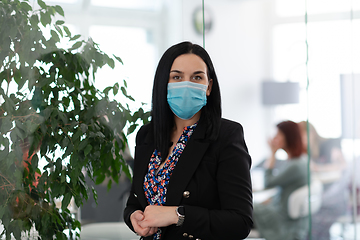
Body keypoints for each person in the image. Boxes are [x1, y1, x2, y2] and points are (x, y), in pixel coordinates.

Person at [123, 41, 253, 240]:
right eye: (177, 77)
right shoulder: (146, 135)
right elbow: (135, 201)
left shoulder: (226, 135)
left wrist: (177, 215)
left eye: (197, 77)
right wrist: (133, 216)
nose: (186, 84)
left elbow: (240, 222)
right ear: (163, 84)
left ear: (208, 86)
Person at [253, 120, 308, 240]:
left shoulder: (295, 165)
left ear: (288, 137)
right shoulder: (299, 161)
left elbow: (268, 182)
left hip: (279, 218)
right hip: (279, 212)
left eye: (278, 135)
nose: (274, 139)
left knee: (241, 207)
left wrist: (272, 153)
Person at [298, 121, 348, 240]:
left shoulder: (330, 145)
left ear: (311, 133)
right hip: (320, 196)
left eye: (301, 135)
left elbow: (342, 165)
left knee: (312, 220)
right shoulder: (307, 152)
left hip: (335, 197)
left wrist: (318, 168)